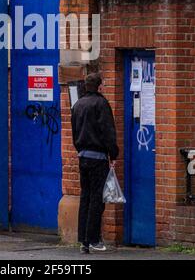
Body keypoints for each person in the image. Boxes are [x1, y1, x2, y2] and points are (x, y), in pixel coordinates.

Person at [71, 73, 119, 254]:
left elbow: (75, 134)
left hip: (83, 156)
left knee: (85, 197)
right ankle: (93, 239)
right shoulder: (101, 104)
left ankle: (83, 240)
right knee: (97, 199)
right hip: (98, 158)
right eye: (103, 85)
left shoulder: (78, 105)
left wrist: (80, 150)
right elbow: (108, 132)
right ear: (99, 87)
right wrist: (113, 153)